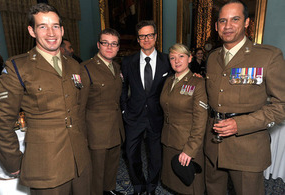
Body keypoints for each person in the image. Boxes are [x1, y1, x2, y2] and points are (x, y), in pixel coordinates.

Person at [0, 3, 91, 195]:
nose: (51, 33)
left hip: (80, 161)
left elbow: (79, 109)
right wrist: (13, 162)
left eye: (55, 26)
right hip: (46, 165)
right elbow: (1, 121)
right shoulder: (18, 67)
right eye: (42, 26)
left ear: (62, 30)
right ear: (32, 31)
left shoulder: (74, 65)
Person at [204, 1, 285, 195]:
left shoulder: (268, 56)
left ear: (247, 22)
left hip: (247, 149)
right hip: (213, 145)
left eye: (235, 19)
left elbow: (281, 106)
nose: (228, 26)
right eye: (222, 20)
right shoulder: (213, 57)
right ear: (216, 26)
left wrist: (240, 124)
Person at [120, 20, 171, 195]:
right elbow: (122, 87)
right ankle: (138, 185)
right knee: (131, 153)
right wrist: (124, 110)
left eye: (150, 35)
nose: (146, 39)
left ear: (156, 37)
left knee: (155, 156)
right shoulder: (127, 62)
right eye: (142, 36)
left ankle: (151, 186)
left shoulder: (167, 61)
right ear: (138, 39)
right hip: (134, 117)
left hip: (158, 117)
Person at [81, 28, 125, 195]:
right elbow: (80, 105)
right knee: (97, 170)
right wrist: (83, 134)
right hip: (96, 131)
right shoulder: (85, 68)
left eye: (113, 44)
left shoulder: (116, 66)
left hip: (115, 127)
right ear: (98, 45)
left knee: (112, 164)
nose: (109, 47)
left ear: (118, 47)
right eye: (105, 43)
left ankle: (109, 190)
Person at [160, 43, 207, 195]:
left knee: (189, 187)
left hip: (186, 144)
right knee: (173, 184)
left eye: (181, 56)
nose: (177, 61)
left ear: (190, 58)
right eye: (172, 58)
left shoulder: (198, 83)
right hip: (169, 141)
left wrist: (190, 149)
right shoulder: (168, 81)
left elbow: (200, 121)